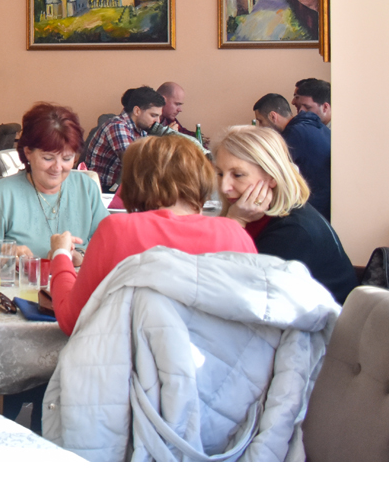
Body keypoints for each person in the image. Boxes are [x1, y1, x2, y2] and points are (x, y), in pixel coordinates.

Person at [48, 134, 256, 336]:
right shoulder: (235, 233)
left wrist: (61, 255)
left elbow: (72, 321)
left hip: (132, 358)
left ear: (134, 182)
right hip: (212, 358)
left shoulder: (117, 230)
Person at [214, 125, 356, 304]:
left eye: (238, 175)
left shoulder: (293, 231)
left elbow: (233, 291)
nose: (224, 187)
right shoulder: (259, 215)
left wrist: (234, 223)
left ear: (272, 177)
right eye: (220, 173)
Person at [0, 103, 108, 263]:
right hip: (22, 278)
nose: (57, 167)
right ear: (28, 152)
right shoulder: (4, 193)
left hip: (73, 278)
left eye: (67, 158)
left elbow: (109, 242)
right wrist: (6, 252)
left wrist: (78, 256)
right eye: (48, 158)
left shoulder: (86, 188)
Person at [85, 86, 165, 193]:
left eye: (159, 116)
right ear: (137, 111)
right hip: (102, 190)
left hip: (116, 189)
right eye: (153, 115)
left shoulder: (141, 129)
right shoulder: (117, 126)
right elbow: (134, 162)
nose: (158, 121)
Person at [282, 84, 332, 221]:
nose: (301, 113)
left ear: (325, 107)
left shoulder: (300, 131)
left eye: (308, 108)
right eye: (299, 108)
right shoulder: (322, 130)